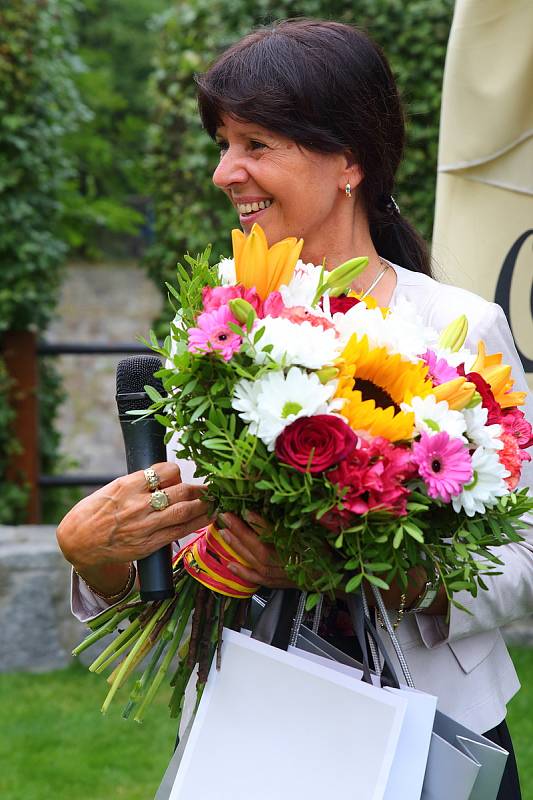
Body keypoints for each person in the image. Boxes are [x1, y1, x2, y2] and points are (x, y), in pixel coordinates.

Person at [57, 19, 532, 797]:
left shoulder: (459, 330)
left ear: (349, 159)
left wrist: (363, 573)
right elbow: (176, 551)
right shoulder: (211, 321)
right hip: (250, 731)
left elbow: (523, 558)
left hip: (430, 733)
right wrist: (98, 557)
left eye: (254, 143)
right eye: (221, 143)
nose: (224, 172)